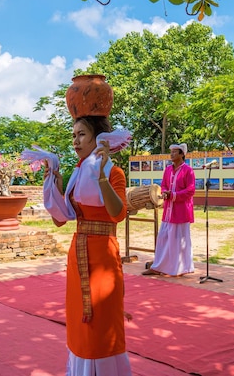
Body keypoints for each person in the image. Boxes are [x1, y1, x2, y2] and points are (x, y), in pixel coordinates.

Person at [46, 115, 132, 376]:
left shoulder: (114, 173)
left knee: (103, 319)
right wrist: (56, 188)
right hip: (78, 252)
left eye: (82, 134)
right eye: (74, 135)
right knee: (79, 320)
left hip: (104, 254)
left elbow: (118, 213)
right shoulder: (77, 174)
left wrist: (102, 178)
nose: (75, 141)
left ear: (99, 138)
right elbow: (60, 220)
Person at [143, 143, 195, 277]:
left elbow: (190, 190)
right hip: (168, 211)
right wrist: (166, 192)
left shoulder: (188, 170)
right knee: (163, 238)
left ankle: (179, 269)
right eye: (170, 151)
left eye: (174, 152)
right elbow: (164, 184)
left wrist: (174, 195)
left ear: (182, 154)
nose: (171, 154)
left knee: (178, 240)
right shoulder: (168, 170)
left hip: (181, 211)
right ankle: (158, 266)